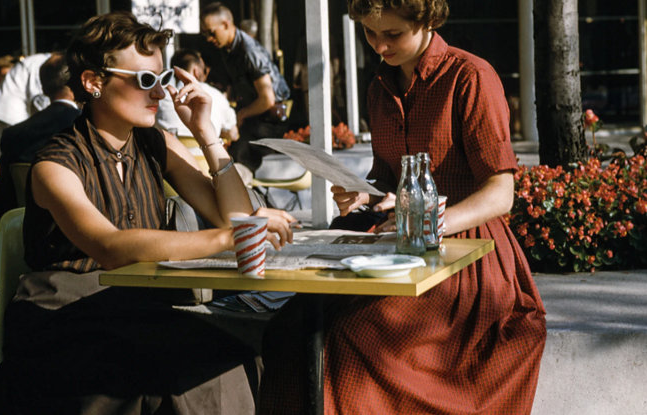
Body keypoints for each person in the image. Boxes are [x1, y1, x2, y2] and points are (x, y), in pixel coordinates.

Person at [0, 11, 295, 414]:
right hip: (65, 319)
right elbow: (110, 247)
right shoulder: (54, 164)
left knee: (239, 355)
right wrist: (228, 238)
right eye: (145, 80)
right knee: (191, 373)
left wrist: (207, 135)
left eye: (164, 79)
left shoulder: (156, 143)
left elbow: (234, 217)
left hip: (138, 309)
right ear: (93, 82)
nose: (160, 94)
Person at [258, 1, 547, 414]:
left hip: (467, 259)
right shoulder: (380, 87)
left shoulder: (470, 77)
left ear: (427, 21)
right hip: (396, 250)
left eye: (391, 35)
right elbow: (388, 179)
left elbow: (501, 193)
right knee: (290, 328)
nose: (379, 45)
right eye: (370, 34)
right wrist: (364, 194)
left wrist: (429, 222)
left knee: (350, 333)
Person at [201, 2, 290, 173]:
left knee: (235, 160)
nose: (208, 39)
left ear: (226, 25)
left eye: (211, 33)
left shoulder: (249, 52)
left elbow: (267, 100)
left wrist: (241, 114)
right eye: (205, 34)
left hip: (270, 120)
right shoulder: (228, 49)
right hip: (253, 117)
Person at [0, 52, 81, 230]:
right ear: (77, 83)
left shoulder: (13, 135)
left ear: (43, 88)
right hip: (76, 230)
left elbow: (6, 199)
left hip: (26, 228)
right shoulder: (84, 128)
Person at [156, 48, 239, 143]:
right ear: (196, 71)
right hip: (206, 156)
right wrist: (214, 133)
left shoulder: (161, 97)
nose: (206, 75)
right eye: (204, 70)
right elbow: (234, 134)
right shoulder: (215, 95)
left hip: (167, 154)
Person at [0, 52, 51, 155]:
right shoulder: (42, 63)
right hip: (12, 116)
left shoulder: (38, 61)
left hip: (8, 113)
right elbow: (39, 101)